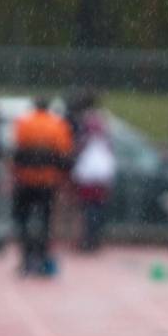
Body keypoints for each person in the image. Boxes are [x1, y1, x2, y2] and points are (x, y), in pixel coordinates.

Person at [11, 96, 73, 275]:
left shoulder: (24, 123)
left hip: (26, 180)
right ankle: (43, 258)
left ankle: (26, 257)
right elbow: (64, 154)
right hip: (48, 181)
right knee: (46, 221)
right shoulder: (58, 125)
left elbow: (17, 151)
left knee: (23, 220)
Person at [70, 99, 116, 252]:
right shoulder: (105, 122)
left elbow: (80, 145)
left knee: (88, 207)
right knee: (98, 206)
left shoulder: (86, 123)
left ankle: (89, 238)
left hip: (89, 170)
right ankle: (94, 238)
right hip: (102, 169)